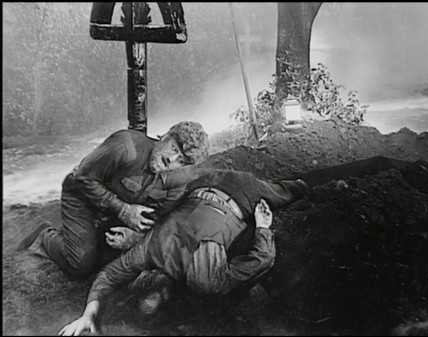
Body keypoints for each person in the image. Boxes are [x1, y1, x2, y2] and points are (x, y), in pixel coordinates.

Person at [57, 168, 310, 336]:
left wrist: (263, 227)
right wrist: (88, 313)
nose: (162, 297)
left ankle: (302, 184)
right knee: (294, 188)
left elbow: (263, 259)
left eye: (155, 298)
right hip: (208, 182)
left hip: (239, 193)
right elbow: (108, 276)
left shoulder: (202, 277)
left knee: (295, 190)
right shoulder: (148, 251)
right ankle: (300, 183)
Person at [17, 121, 209, 277]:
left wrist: (137, 236)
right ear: (165, 136)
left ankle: (88, 234)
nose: (171, 160)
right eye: (173, 148)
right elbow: (83, 178)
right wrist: (123, 210)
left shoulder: (177, 181)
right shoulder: (125, 146)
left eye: (181, 161)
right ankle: (44, 236)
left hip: (116, 207)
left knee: (118, 256)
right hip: (81, 195)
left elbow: (160, 218)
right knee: (80, 265)